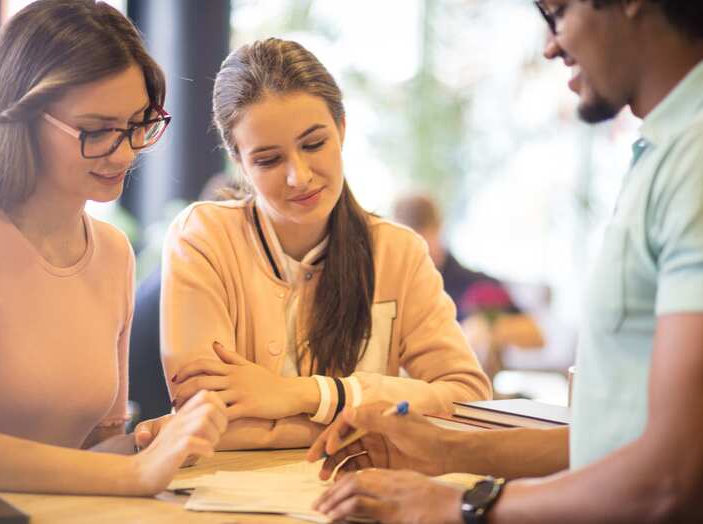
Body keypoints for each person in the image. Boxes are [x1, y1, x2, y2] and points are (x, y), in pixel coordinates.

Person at [308, 1, 703, 522]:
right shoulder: (665, 152)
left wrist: (464, 505)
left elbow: (671, 476)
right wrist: (445, 450)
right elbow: (611, 441)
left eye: (557, 12)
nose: (551, 45)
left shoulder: (694, 160)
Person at [0, 0, 226, 496]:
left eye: (138, 123)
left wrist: (156, 441)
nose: (125, 152)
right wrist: (132, 472)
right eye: (97, 130)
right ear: (23, 117)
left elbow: (88, 458)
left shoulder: (111, 251)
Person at [160, 38, 491, 450]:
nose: (299, 176)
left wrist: (305, 395)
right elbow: (207, 422)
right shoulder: (202, 237)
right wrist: (370, 422)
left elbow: (468, 398)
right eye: (268, 160)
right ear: (239, 161)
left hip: (357, 498)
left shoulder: (398, 251)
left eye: (314, 144)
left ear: (342, 129)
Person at [393, 193, 545, 377]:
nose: (417, 248)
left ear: (439, 228)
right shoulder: (394, 286)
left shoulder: (477, 285)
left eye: (424, 237)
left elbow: (536, 335)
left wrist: (489, 328)